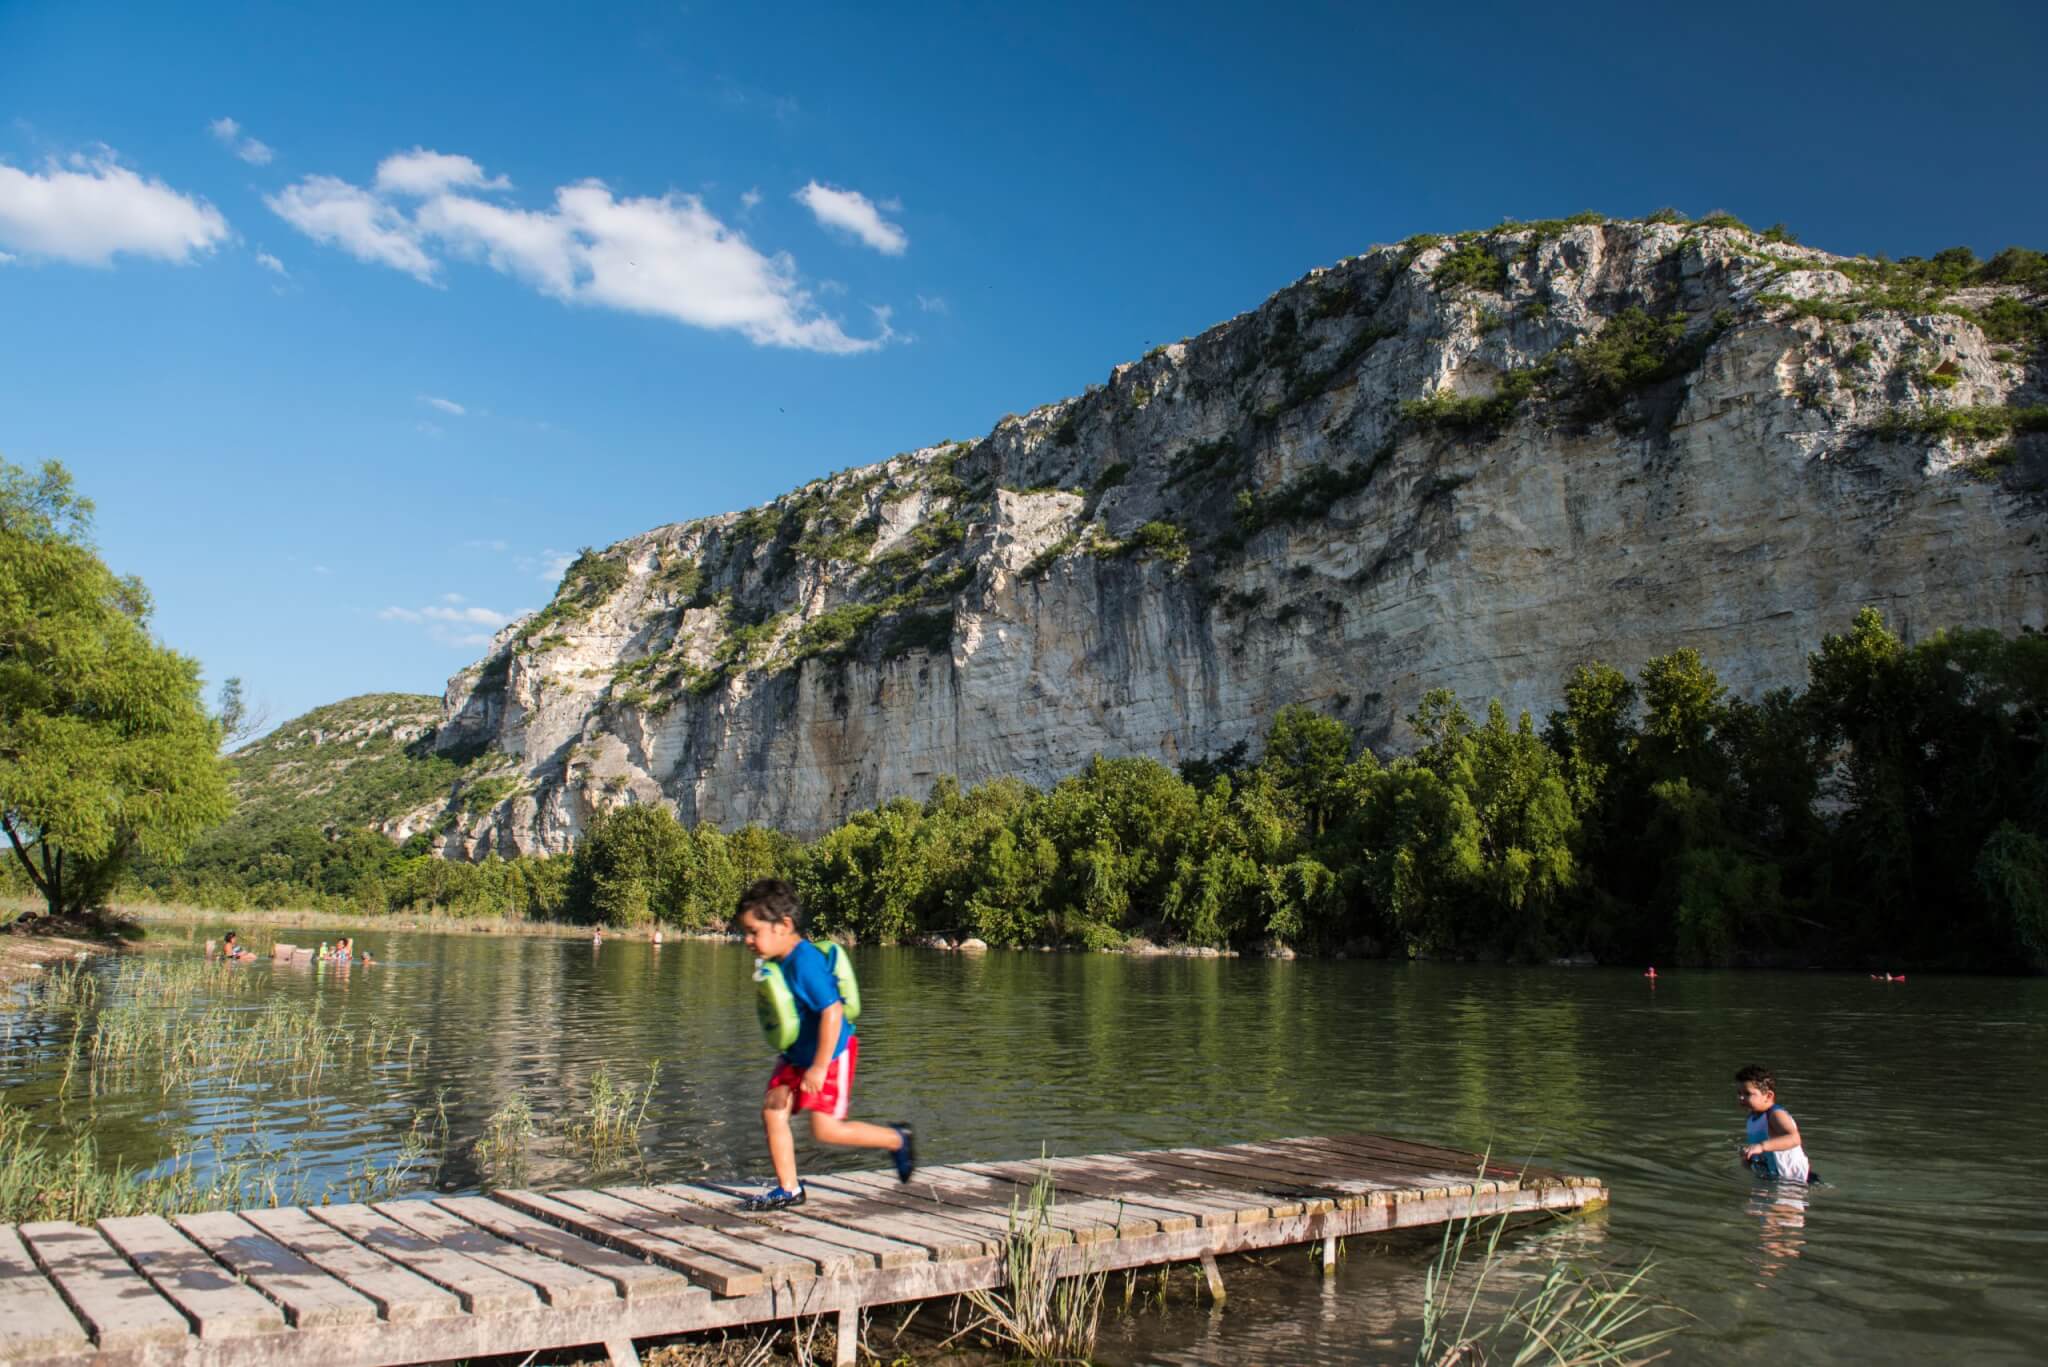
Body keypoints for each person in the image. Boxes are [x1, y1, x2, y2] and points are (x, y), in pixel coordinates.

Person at [735, 878, 913, 1210]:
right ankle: (789, 1189)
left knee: (826, 1130)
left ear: (784, 925)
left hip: (830, 1053)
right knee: (773, 1110)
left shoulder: (806, 963)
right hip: (795, 1054)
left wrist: (819, 1066)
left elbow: (833, 1011)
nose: (747, 940)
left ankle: (897, 1139)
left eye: (753, 931)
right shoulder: (776, 962)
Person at [1736, 1063, 1814, 1183]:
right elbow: (1761, 1151)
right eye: (1739, 1093)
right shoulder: (1752, 1117)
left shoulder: (1775, 1114)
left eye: (1747, 1094)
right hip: (1773, 1178)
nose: (1741, 1098)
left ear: (1768, 1096)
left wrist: (1761, 1146)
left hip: (1798, 1179)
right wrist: (1749, 1158)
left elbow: (1794, 1139)